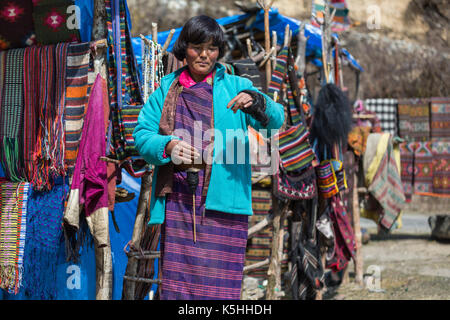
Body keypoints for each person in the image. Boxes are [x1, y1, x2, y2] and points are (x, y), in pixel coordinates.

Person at [133, 15, 284, 300]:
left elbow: (276, 121)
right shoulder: (167, 88)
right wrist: (168, 146)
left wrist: (257, 103)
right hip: (179, 197)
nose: (204, 55)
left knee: (221, 288)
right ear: (184, 48)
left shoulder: (237, 85)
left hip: (226, 197)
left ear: (219, 51)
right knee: (178, 285)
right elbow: (142, 135)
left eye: (212, 48)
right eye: (197, 47)